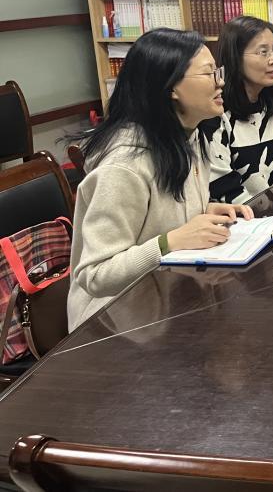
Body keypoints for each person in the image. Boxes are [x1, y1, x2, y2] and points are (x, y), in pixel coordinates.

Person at [68, 29, 252, 331]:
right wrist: (171, 242)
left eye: (217, 71)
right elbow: (95, 274)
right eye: (208, 73)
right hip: (113, 327)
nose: (220, 82)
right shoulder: (124, 164)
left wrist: (203, 211)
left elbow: (155, 219)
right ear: (171, 88)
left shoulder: (189, 136)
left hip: (172, 305)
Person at [202, 16, 273, 204]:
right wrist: (266, 215)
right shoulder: (216, 114)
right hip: (239, 216)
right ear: (235, 58)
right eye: (263, 52)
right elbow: (223, 188)